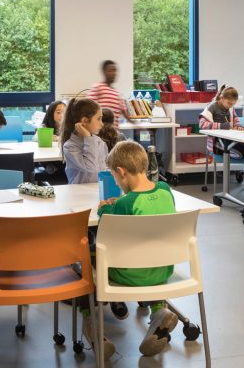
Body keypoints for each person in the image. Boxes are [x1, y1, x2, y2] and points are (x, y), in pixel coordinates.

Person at [80, 141, 179, 359]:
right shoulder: (165, 190)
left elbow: (106, 218)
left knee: (84, 256)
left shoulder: (124, 205)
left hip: (128, 275)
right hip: (162, 271)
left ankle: (91, 323)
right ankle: (158, 310)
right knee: (149, 249)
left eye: (114, 176)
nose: (115, 181)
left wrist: (105, 207)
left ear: (121, 172)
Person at [61, 98, 108, 184]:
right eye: (99, 119)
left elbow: (103, 169)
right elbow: (91, 168)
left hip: (97, 190)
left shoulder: (99, 141)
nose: (102, 124)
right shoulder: (70, 146)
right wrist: (88, 138)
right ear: (84, 121)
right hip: (79, 193)